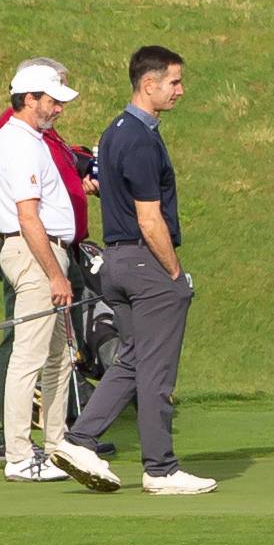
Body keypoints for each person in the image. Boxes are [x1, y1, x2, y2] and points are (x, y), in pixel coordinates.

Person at [73, 45, 215, 496]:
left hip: (116, 261)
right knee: (156, 368)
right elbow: (149, 216)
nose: (180, 90)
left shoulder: (116, 131)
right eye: (173, 82)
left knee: (133, 359)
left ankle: (79, 439)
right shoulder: (137, 137)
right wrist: (174, 274)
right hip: (142, 260)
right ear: (148, 84)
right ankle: (161, 468)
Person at [0, 60, 124, 491]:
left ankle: (59, 444)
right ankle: (20, 456)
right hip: (34, 254)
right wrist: (55, 274)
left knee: (61, 357)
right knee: (29, 356)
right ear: (29, 100)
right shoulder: (19, 142)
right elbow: (28, 218)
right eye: (52, 101)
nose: (59, 108)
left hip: (48, 253)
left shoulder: (34, 138)